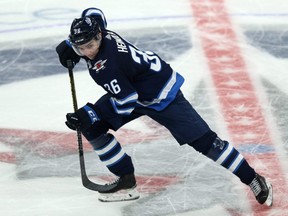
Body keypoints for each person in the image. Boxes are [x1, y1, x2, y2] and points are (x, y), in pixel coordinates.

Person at [56, 8, 273, 204]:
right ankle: (126, 180)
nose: (86, 52)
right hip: (132, 86)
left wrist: (92, 113)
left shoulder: (108, 66)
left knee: (206, 142)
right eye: (79, 47)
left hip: (161, 95)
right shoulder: (98, 30)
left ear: (99, 36)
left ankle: (253, 178)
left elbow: (127, 102)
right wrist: (69, 46)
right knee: (92, 128)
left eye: (90, 45)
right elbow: (94, 13)